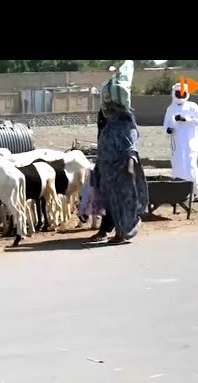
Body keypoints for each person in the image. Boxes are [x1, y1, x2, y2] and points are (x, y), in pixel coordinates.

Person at [90, 60, 148, 245]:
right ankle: (116, 232)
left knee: (125, 203)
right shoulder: (110, 124)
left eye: (110, 107)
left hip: (122, 171)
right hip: (109, 173)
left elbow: (131, 146)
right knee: (112, 205)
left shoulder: (126, 123)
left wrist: (130, 165)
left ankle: (123, 233)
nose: (107, 109)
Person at [163, 83, 198, 202]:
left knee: (190, 166)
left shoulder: (192, 106)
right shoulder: (170, 109)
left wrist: (185, 119)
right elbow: (166, 125)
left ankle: (195, 192)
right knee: (178, 167)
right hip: (176, 145)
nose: (180, 95)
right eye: (178, 93)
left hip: (190, 143)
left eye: (182, 93)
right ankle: (180, 193)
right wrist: (168, 130)